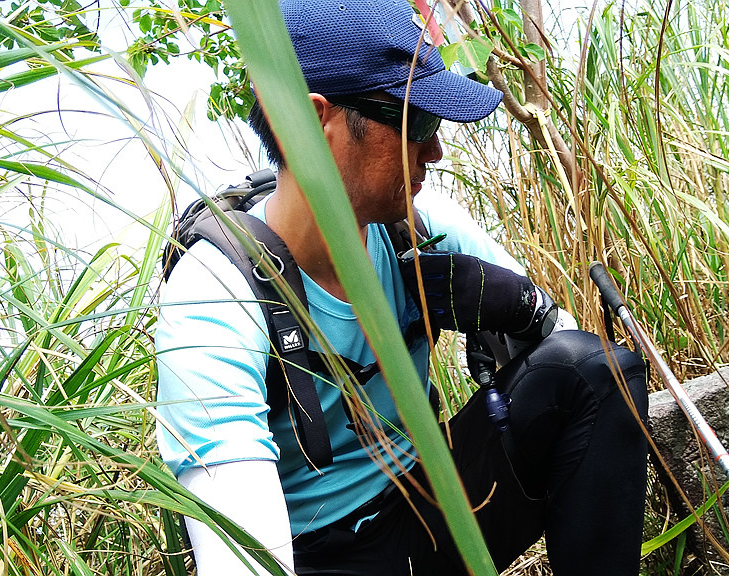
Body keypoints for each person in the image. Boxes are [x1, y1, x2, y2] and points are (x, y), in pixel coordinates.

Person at [155, 0, 649, 574]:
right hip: (316, 554)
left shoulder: (414, 227)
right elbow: (245, 558)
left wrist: (524, 310)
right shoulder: (218, 292)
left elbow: (568, 354)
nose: (435, 153)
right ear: (314, 122)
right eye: (418, 125)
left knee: (594, 371)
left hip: (428, 504)